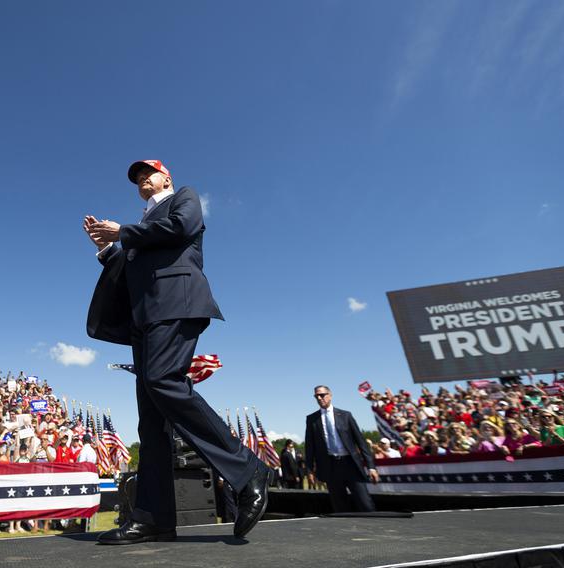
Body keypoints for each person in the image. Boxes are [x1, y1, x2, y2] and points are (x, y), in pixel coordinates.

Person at [85, 159, 269, 544]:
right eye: (137, 178)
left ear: (165, 177)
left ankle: (247, 468)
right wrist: (107, 250)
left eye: (147, 174)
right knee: (151, 423)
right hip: (143, 318)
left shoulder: (182, 198)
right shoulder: (138, 230)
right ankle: (153, 518)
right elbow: (130, 270)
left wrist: (123, 232)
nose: (142, 180)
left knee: (162, 380)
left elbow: (179, 228)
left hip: (177, 304)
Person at [304, 385, 378, 513]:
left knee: (365, 502)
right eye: (317, 396)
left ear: (330, 395)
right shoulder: (312, 420)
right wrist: (310, 470)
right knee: (340, 506)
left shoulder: (345, 415)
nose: (319, 398)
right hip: (330, 467)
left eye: (322, 395)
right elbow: (310, 447)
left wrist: (371, 467)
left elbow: (361, 442)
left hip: (350, 464)